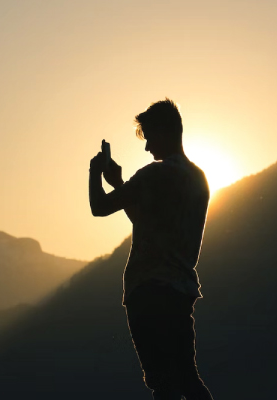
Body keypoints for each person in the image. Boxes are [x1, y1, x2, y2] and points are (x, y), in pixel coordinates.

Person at [89, 99, 214, 400]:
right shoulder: (199, 179)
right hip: (181, 291)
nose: (146, 148)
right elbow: (146, 223)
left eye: (148, 137)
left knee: (163, 383)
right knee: (188, 378)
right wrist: (119, 181)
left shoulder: (153, 175)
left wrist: (95, 172)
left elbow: (99, 207)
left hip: (148, 291)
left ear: (163, 132)